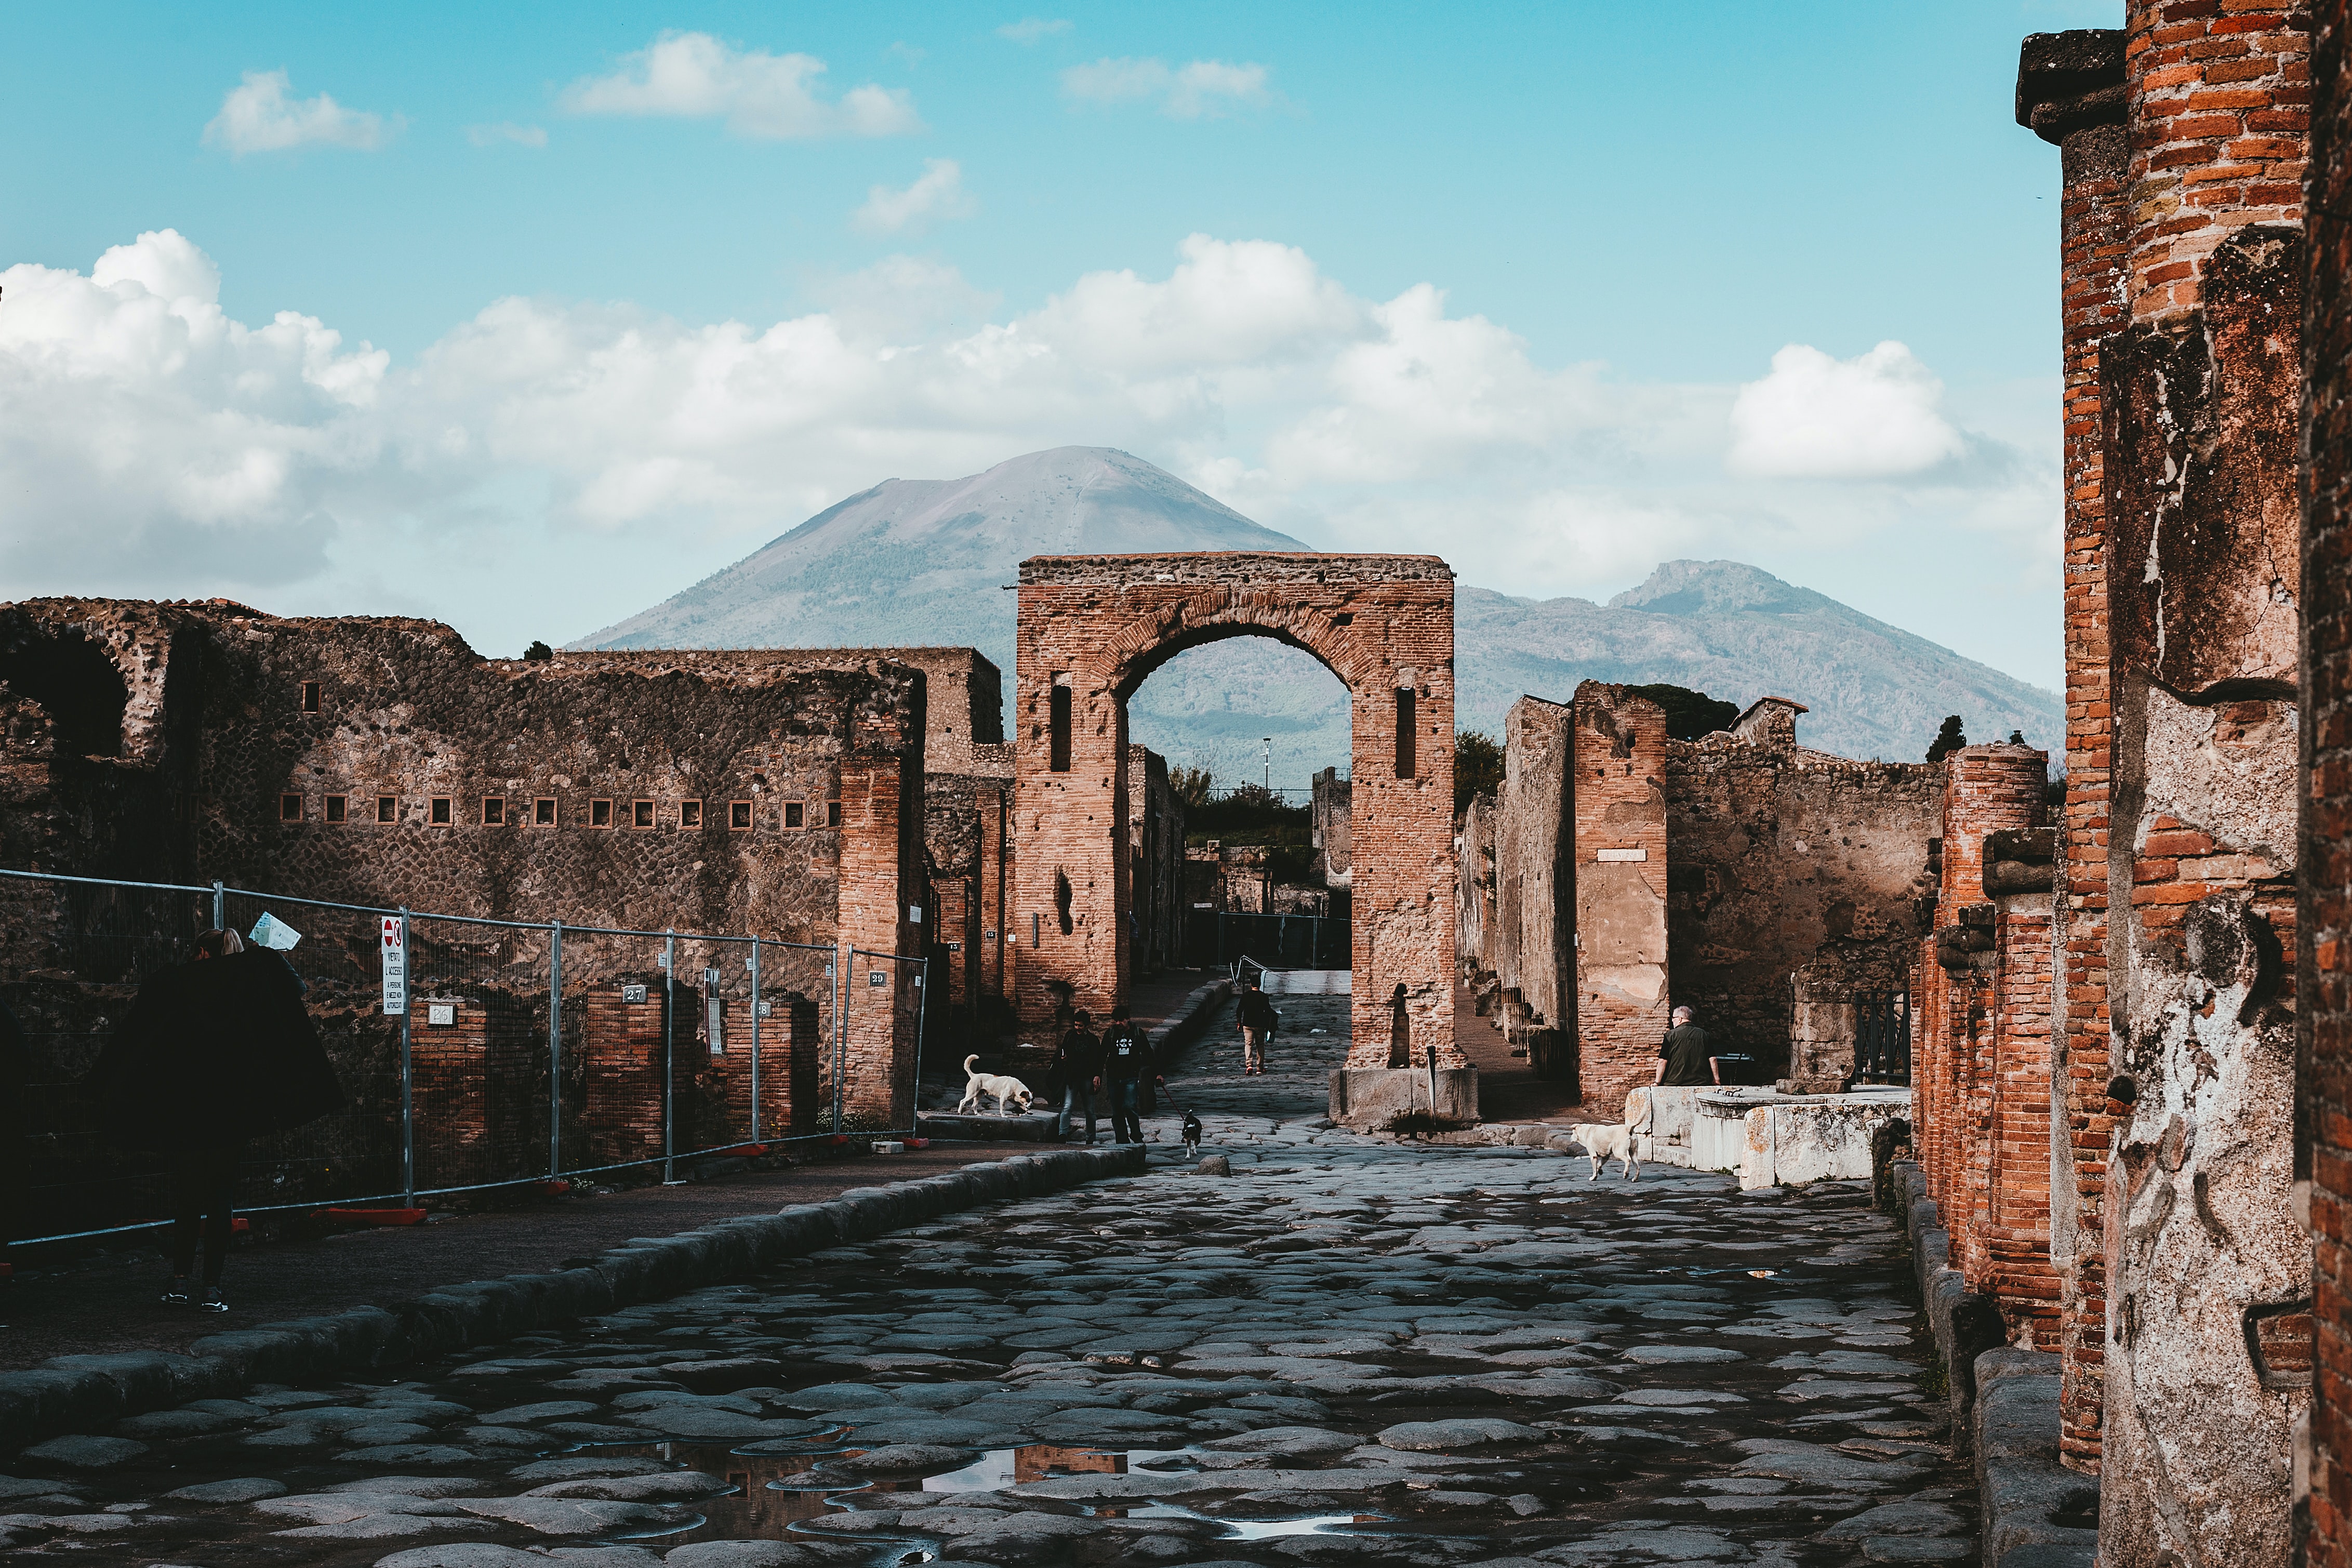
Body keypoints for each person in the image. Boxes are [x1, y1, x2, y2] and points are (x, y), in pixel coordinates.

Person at [98, 927, 343, 1312]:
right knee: (220, 1199)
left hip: (188, 1108)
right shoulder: (249, 987)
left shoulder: (178, 985)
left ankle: (179, 1280)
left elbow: (145, 1023)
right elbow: (293, 990)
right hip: (233, 1109)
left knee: (188, 1196)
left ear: (202, 954)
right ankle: (212, 1286)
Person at [1095, 1005, 1163, 1146]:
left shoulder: (1137, 1033)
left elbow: (1148, 1055)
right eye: (1116, 1021)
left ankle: (1136, 1134)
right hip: (1113, 1077)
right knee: (1117, 1111)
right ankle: (1122, 1140)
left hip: (1130, 1077)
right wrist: (1097, 1075)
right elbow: (1102, 1055)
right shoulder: (1111, 1034)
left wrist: (1157, 1073)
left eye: (1121, 1021)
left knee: (1130, 1106)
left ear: (1128, 1019)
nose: (1118, 1024)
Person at [1050, 1009, 1104, 1144]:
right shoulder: (1070, 1036)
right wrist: (1063, 1058)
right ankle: (1062, 1134)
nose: (1077, 1028)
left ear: (1087, 1026)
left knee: (1090, 1110)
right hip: (1072, 1078)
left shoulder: (1093, 1040)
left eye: (1080, 1026)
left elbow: (1098, 1061)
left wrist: (1097, 1076)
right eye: (1076, 1025)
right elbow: (1063, 1051)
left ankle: (1091, 1137)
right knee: (1067, 1107)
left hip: (1087, 1078)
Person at [1654, 1005, 1722, 1088]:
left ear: (1679, 1019)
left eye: (1673, 1018)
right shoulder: (1704, 1035)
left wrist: (1657, 1082)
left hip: (1674, 1083)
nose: (1672, 1021)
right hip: (1701, 1083)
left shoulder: (1670, 1036)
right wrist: (1716, 1080)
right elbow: (1713, 1059)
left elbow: (1663, 1061)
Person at [1235, 976, 1279, 1076]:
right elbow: (1268, 1011)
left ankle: (1249, 1065)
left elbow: (1239, 1010)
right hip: (1260, 1024)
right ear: (1260, 984)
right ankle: (1260, 1068)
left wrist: (1239, 1023)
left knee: (1248, 1044)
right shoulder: (1263, 997)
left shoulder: (1246, 996)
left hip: (1247, 1024)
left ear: (1251, 984)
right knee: (1260, 1045)